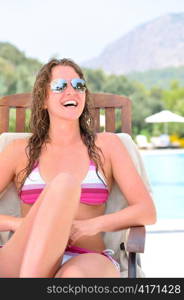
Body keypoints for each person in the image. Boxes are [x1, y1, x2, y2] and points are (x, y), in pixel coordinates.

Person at [0, 58, 156, 278]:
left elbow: (146, 211)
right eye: (60, 86)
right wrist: (21, 224)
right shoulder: (19, 150)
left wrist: (91, 225)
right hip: (25, 254)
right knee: (63, 185)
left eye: (79, 85)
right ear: (43, 99)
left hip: (84, 257)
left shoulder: (108, 145)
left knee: (65, 185)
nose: (72, 91)